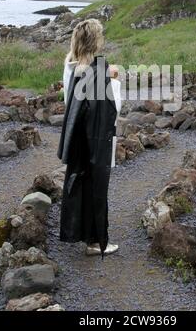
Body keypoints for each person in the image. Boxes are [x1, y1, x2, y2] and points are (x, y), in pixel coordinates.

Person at [57, 18, 121, 259]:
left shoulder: (70, 64)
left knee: (80, 182)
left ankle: (84, 235)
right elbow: (112, 110)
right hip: (96, 137)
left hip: (76, 132)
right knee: (97, 186)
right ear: (96, 41)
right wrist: (113, 79)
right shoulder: (98, 72)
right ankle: (95, 241)